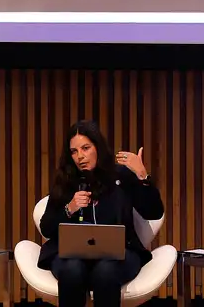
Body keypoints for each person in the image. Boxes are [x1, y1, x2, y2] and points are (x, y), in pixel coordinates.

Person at [38, 120, 165, 307]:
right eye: (74, 151)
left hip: (119, 254)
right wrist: (69, 208)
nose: (80, 156)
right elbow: (46, 228)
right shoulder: (66, 180)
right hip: (71, 256)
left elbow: (153, 212)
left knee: (105, 272)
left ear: (98, 147)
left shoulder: (120, 176)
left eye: (85, 148)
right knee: (72, 270)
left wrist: (142, 176)